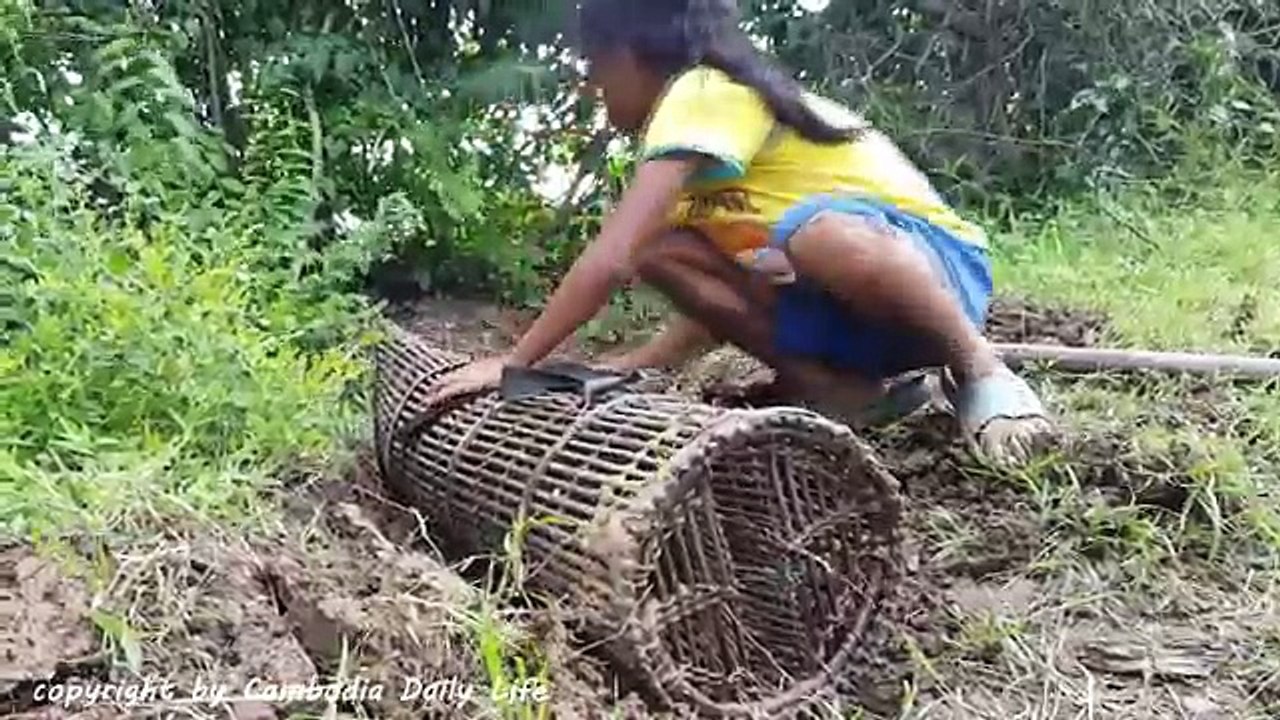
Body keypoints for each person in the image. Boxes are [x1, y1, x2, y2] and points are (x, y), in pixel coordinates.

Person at [422, 0, 1054, 464]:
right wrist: (633, 367)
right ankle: (840, 390)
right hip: (857, 321)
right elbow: (699, 295)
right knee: (665, 249)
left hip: (936, 278)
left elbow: (609, 255)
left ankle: (982, 370)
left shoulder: (704, 91)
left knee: (816, 232)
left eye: (594, 67)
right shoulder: (688, 166)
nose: (592, 87)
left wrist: (513, 361)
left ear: (629, 54)